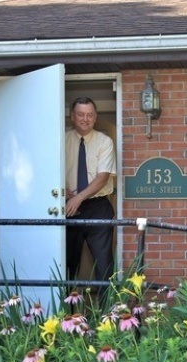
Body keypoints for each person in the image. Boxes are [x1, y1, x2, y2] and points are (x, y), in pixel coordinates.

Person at [65, 96, 116, 295]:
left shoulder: (105, 141)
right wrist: (61, 188)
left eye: (90, 115)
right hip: (67, 208)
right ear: (72, 116)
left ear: (95, 118)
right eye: (80, 114)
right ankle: (66, 318)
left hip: (97, 206)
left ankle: (108, 318)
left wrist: (78, 198)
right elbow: (48, 167)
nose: (85, 119)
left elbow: (102, 177)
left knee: (104, 265)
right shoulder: (60, 139)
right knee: (67, 264)